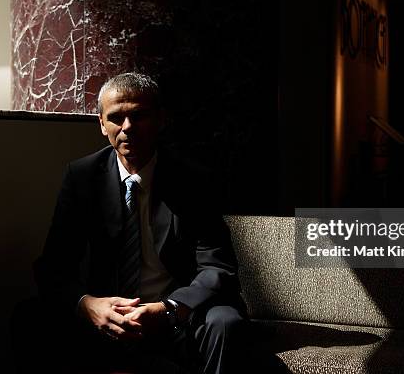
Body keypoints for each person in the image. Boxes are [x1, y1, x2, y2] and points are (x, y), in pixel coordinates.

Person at [32, 72, 247, 373]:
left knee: (226, 322)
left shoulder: (193, 180)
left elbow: (217, 267)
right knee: (29, 318)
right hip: (109, 317)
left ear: (161, 119)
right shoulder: (82, 177)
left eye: (139, 116)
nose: (127, 128)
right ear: (101, 124)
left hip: (176, 317)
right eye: (116, 118)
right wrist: (88, 305)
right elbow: (53, 268)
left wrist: (167, 310)